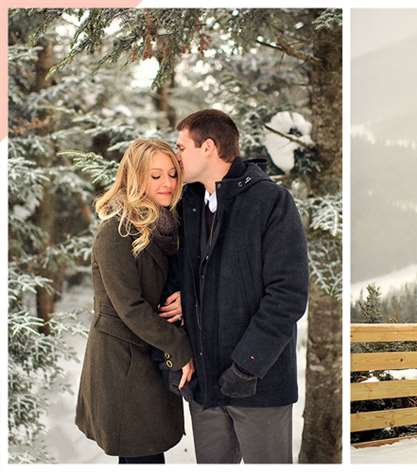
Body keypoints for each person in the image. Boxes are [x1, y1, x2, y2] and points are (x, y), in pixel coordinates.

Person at [160, 109, 309, 463]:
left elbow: (287, 295)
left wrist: (246, 367)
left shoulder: (270, 201)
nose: (176, 156)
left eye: (182, 147)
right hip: (205, 386)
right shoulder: (188, 204)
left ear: (208, 147)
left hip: (259, 383)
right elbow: (178, 276)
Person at [75, 139, 195, 463]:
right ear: (134, 177)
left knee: (147, 453)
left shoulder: (169, 226)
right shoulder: (116, 232)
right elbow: (130, 308)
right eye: (155, 176)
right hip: (124, 364)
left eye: (172, 174)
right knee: (141, 455)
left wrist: (188, 296)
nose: (167, 183)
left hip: (150, 356)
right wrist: (180, 347)